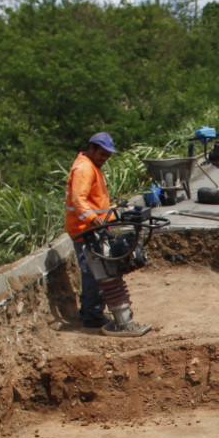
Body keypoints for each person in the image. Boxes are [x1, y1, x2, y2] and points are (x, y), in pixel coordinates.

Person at [64, 132, 149, 334]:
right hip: (86, 228)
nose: (105, 159)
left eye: (107, 156)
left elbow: (94, 200)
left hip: (95, 227)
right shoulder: (84, 168)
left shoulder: (92, 166)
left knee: (103, 268)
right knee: (94, 271)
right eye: (102, 154)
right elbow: (78, 200)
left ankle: (93, 311)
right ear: (91, 148)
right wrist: (94, 218)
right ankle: (92, 315)